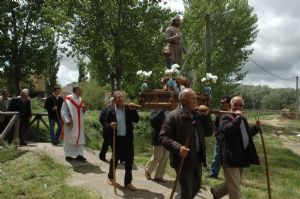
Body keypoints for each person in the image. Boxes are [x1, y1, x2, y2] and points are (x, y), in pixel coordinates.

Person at [159, 88, 213, 199]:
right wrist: (179, 148)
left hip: (197, 157)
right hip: (183, 159)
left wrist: (207, 116)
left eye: (196, 98)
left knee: (196, 187)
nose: (196, 101)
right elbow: (163, 137)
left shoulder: (198, 115)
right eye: (192, 98)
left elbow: (209, 132)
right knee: (187, 190)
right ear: (183, 100)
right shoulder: (173, 116)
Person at [211, 96, 261, 199]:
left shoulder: (243, 118)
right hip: (231, 157)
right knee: (235, 188)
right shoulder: (225, 117)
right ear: (231, 105)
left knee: (235, 182)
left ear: (243, 106)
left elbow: (246, 134)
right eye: (235, 105)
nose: (238, 107)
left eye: (240, 105)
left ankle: (217, 192)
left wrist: (256, 128)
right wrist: (237, 118)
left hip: (242, 155)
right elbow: (227, 130)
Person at [104, 91, 139, 191]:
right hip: (117, 139)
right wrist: (110, 125)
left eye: (122, 97)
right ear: (115, 100)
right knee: (115, 158)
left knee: (129, 160)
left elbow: (136, 120)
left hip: (127, 139)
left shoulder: (128, 109)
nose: (120, 99)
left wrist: (134, 110)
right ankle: (111, 177)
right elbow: (105, 124)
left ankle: (128, 182)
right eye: (118, 98)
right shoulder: (111, 111)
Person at [61, 87, 87, 161]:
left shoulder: (80, 99)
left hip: (79, 123)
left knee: (80, 138)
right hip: (71, 122)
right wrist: (67, 120)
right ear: (76, 91)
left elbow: (81, 111)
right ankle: (68, 155)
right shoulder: (68, 98)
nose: (82, 91)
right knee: (69, 137)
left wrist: (84, 110)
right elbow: (63, 110)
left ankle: (79, 155)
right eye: (80, 90)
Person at [209, 96, 231, 179]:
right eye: (220, 102)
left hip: (229, 140)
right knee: (216, 157)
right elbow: (216, 125)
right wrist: (217, 135)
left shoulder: (232, 113)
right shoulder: (219, 113)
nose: (220, 104)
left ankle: (229, 177)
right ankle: (213, 175)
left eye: (222, 102)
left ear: (228, 104)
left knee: (228, 158)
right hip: (219, 139)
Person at [144, 110, 169, 182]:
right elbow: (153, 122)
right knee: (158, 156)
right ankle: (148, 170)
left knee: (165, 157)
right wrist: (161, 110)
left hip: (168, 138)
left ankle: (159, 176)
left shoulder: (170, 111)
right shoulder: (155, 111)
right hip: (158, 138)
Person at [99, 97, 115, 162]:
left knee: (114, 144)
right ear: (110, 102)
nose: (114, 103)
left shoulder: (116, 109)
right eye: (113, 101)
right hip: (107, 130)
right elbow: (101, 119)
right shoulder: (105, 110)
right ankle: (102, 156)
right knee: (106, 143)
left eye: (115, 101)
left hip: (115, 130)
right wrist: (107, 126)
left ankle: (115, 157)